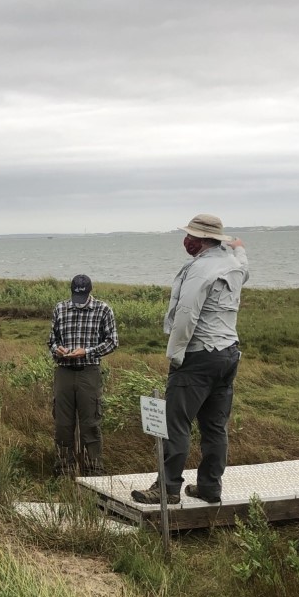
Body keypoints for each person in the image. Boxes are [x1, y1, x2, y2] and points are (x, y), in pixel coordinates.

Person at [131, 214, 247, 505]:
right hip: (228, 353)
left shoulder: (200, 270)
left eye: (190, 236)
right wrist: (238, 247)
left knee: (176, 423)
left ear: (202, 240)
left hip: (199, 354)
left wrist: (176, 355)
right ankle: (210, 487)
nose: (186, 240)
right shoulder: (233, 264)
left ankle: (167, 488)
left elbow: (186, 315)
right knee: (214, 426)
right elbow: (246, 268)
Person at [49, 273, 118, 475]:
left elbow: (112, 342)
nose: (78, 302)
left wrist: (86, 351)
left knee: (90, 423)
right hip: (64, 372)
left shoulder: (103, 309)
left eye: (82, 297)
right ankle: (64, 469)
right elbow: (52, 340)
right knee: (63, 424)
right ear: (71, 292)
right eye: (75, 297)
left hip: (89, 371)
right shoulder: (60, 308)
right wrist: (57, 350)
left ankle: (94, 470)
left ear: (90, 292)